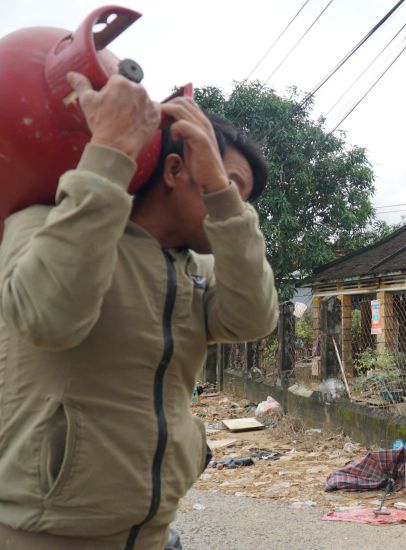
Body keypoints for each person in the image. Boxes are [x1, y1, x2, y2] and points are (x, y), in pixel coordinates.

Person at [0, 72, 278, 549]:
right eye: (223, 183)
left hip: (150, 531)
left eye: (238, 197)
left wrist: (224, 199)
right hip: (41, 532)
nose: (228, 202)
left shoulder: (197, 268)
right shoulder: (45, 225)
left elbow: (253, 319)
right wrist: (109, 153)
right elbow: (49, 318)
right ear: (174, 171)